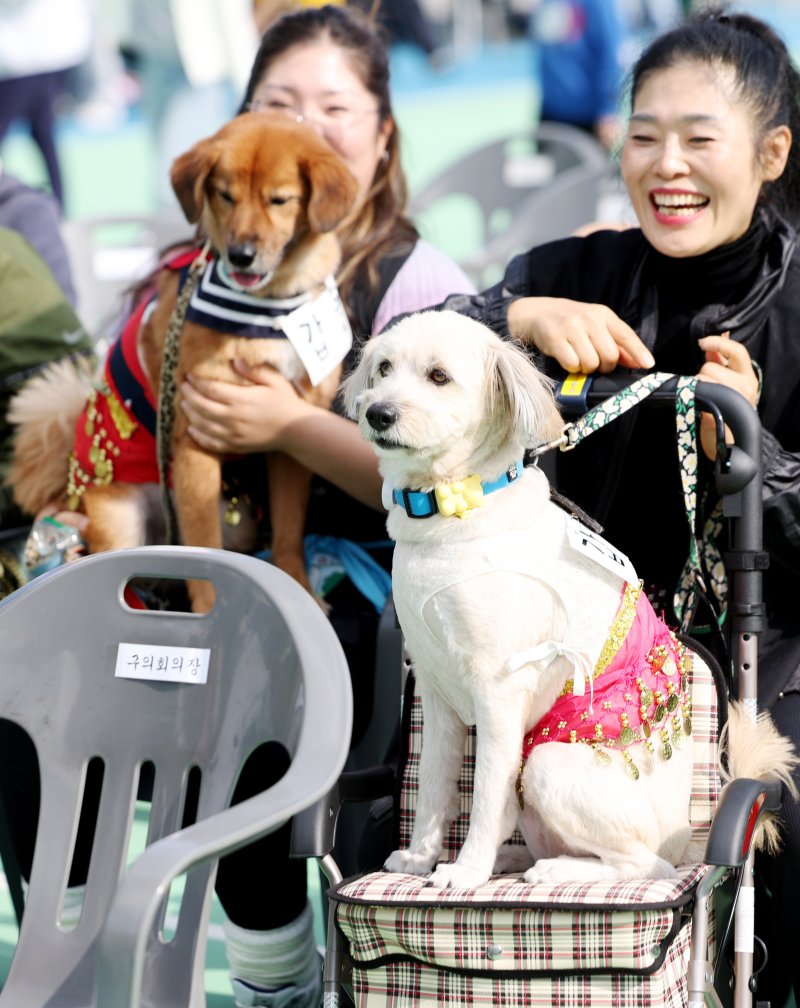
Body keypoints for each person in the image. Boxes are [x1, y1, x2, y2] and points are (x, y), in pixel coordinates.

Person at [442, 7, 800, 1005]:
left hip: (760, 654)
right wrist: (510, 315)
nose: (665, 166)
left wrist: (754, 451)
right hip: (586, 651)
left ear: (769, 153)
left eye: (698, 139)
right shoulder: (576, 273)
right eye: (643, 136)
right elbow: (403, 360)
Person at [120, 6, 475, 1007]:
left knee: (257, 660)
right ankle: (94, 933)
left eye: (333, 107)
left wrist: (290, 427)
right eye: (280, 104)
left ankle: (279, 965)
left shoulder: (416, 282)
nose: (307, 127)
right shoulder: (193, 279)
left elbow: (450, 488)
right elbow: (142, 425)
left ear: (381, 135)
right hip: (203, 551)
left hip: (369, 581)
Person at [0, 0, 94, 208]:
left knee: (43, 134)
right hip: (51, 51)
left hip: (25, 55)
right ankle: (60, 210)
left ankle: (59, 211)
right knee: (45, 134)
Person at [527, 0, 628, 151]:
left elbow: (610, 56)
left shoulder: (598, 4)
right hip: (550, 113)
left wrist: (608, 110)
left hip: (586, 117)